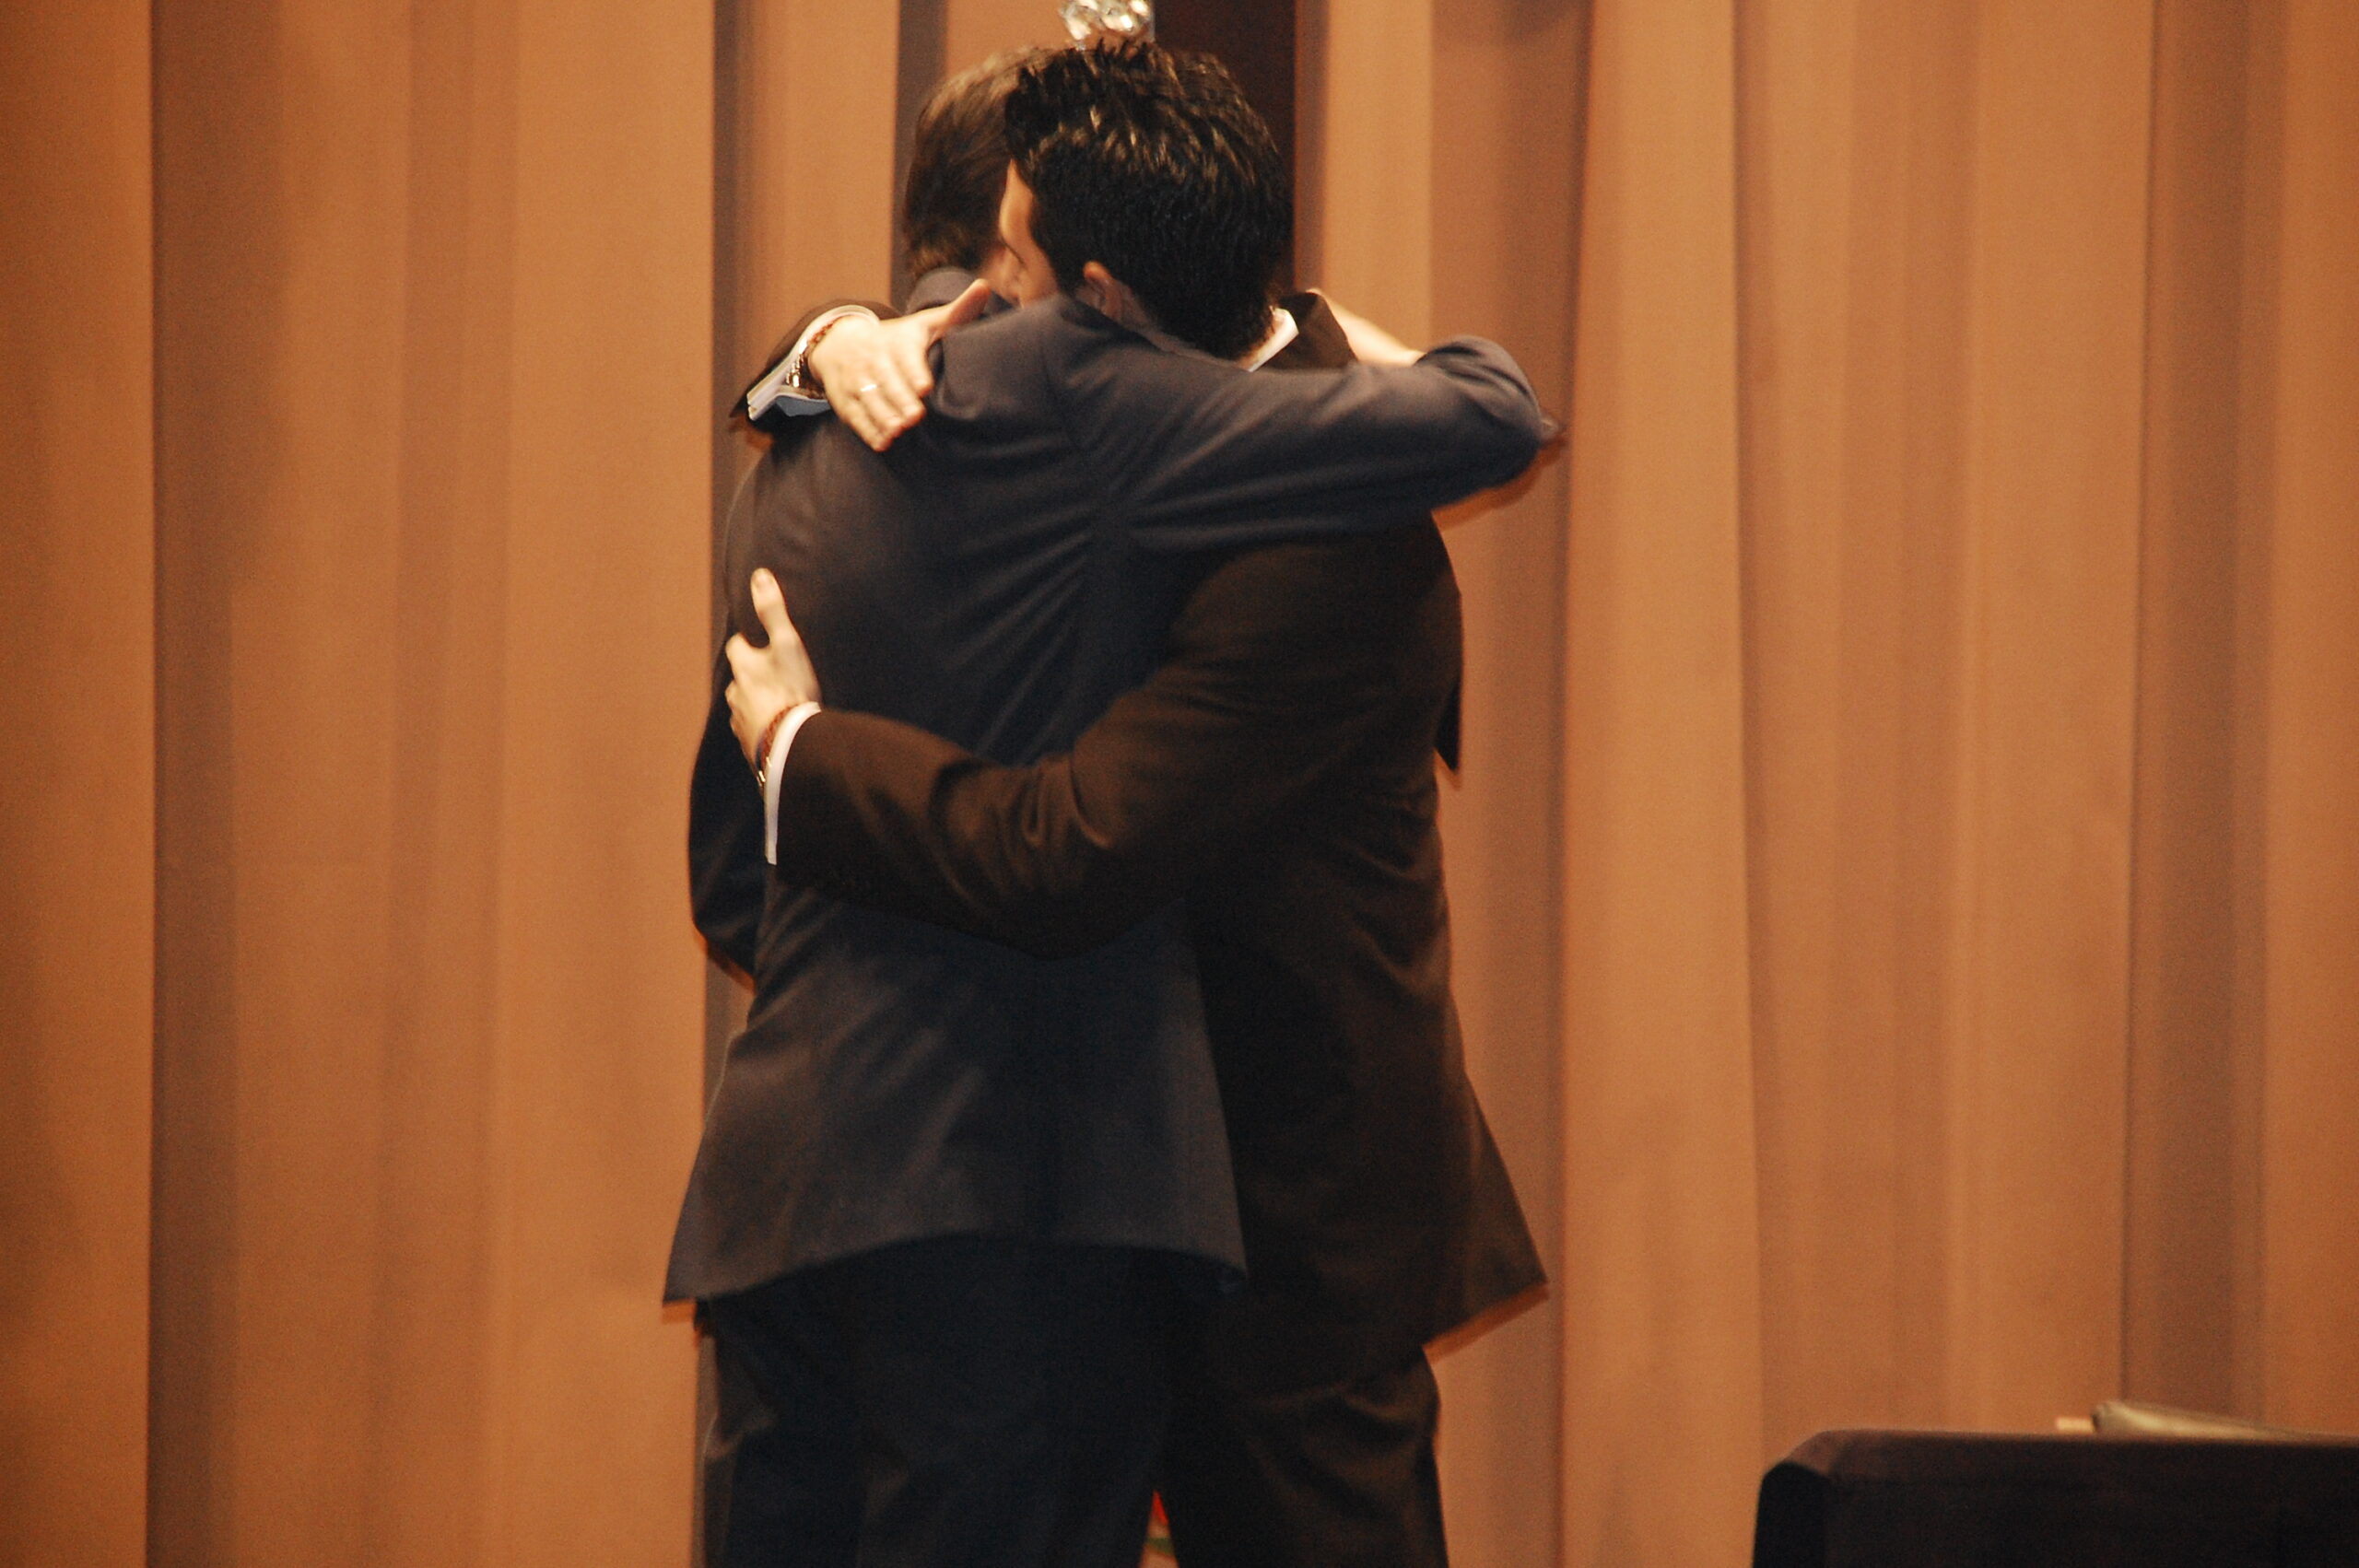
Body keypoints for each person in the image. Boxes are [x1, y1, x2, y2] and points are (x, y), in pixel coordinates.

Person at [675, 40, 1550, 1568]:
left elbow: (1020, 852)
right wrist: (818, 340)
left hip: (1284, 1228)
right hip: (1075, 1195)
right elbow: (1491, 402)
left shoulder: (840, 451)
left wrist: (805, 753)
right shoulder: (1009, 409)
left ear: (1091, 287)